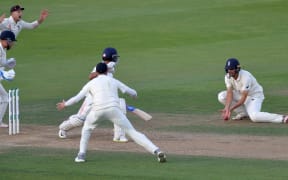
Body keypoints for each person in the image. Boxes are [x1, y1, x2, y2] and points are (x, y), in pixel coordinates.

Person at [57, 62, 167, 163]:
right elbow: (132, 91)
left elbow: (77, 98)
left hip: (97, 111)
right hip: (114, 110)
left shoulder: (91, 83)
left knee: (86, 130)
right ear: (106, 71)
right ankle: (157, 151)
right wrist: (134, 95)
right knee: (133, 132)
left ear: (96, 72)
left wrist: (65, 104)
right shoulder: (114, 81)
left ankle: (81, 155)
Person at [58, 47, 128, 142]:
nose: (117, 59)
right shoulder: (100, 66)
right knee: (79, 120)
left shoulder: (111, 66)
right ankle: (63, 128)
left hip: (104, 97)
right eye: (115, 57)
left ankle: (119, 135)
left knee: (120, 106)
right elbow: (90, 76)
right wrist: (105, 67)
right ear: (112, 57)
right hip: (91, 98)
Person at [218, 58, 288, 123]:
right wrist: (227, 108)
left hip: (254, 97)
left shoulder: (246, 77)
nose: (229, 71)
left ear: (237, 69)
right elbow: (229, 93)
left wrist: (231, 109)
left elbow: (243, 98)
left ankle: (282, 118)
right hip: (241, 94)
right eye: (228, 69)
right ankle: (243, 113)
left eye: (231, 69)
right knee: (222, 96)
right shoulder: (227, 77)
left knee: (254, 117)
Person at [0, 30, 17, 127]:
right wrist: (4, 73)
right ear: (7, 40)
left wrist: (6, 66)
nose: (12, 44)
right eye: (12, 42)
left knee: (4, 98)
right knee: (5, 98)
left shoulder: (2, 49)